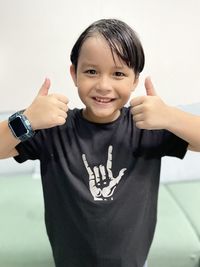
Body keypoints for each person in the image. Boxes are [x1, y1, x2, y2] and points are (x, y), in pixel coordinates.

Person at [0, 18, 200, 267]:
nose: (104, 86)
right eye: (91, 71)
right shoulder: (54, 127)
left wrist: (171, 116)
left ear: (134, 80)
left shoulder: (147, 126)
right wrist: (26, 120)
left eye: (118, 74)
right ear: (74, 74)